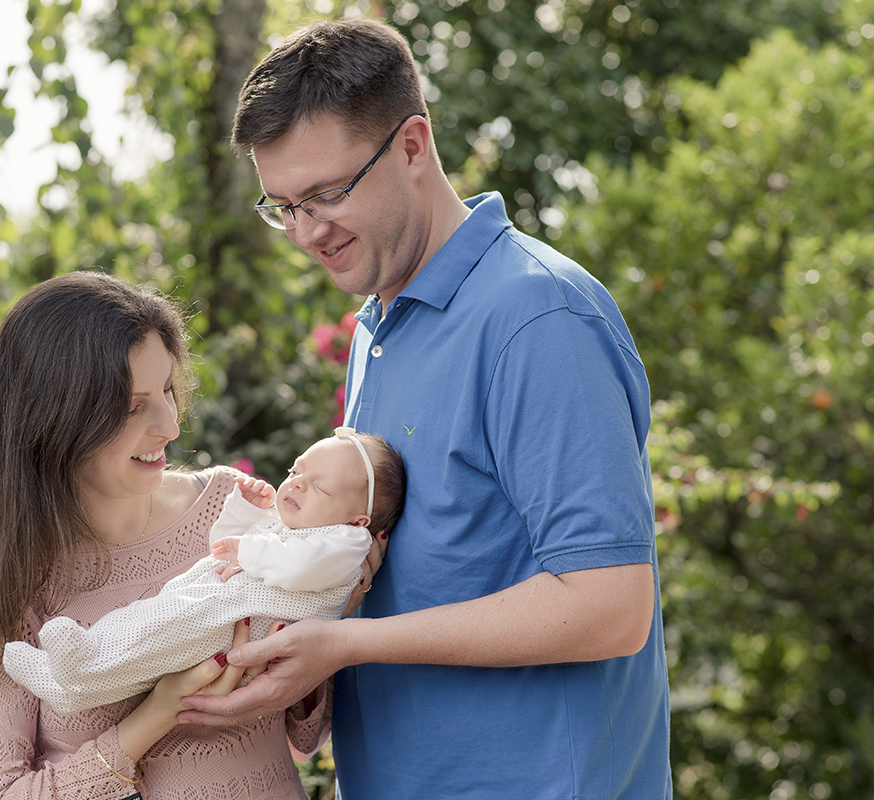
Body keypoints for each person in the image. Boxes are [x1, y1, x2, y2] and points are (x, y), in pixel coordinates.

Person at [178, 18, 672, 800]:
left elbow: (609, 604)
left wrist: (349, 644)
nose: (307, 233)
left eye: (327, 194)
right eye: (284, 207)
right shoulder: (378, 326)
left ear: (412, 146)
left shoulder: (538, 318)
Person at [0, 270, 385, 800]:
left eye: (167, 389)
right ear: (51, 419)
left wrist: (332, 610)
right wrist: (156, 715)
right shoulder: (1, 581)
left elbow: (305, 733)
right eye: (131, 406)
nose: (170, 425)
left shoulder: (233, 507)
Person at [2, 428, 404, 715]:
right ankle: (72, 669)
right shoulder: (293, 525)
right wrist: (244, 512)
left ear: (359, 521)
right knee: (143, 621)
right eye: (296, 472)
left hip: (232, 623)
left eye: (320, 487)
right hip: (212, 605)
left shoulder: (347, 543)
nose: (296, 485)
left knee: (154, 640)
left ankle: (77, 677)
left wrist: (248, 549)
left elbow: (300, 566)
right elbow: (223, 549)